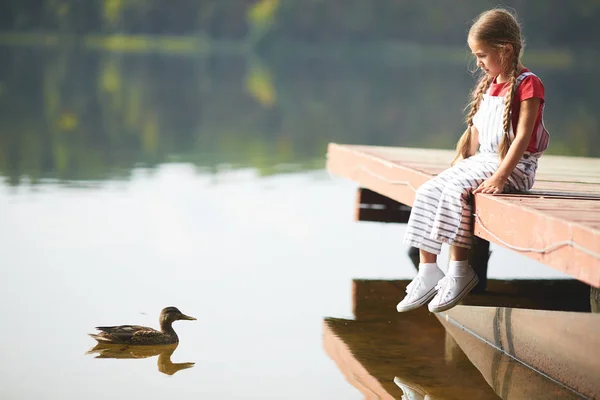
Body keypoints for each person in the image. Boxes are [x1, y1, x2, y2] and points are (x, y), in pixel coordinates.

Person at [397, 8, 549, 313]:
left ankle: (460, 270)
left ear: (504, 49)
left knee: (457, 192)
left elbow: (521, 138)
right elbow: (477, 136)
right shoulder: (491, 84)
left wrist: (501, 177)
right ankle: (428, 271)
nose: (477, 62)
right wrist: (460, 161)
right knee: (428, 190)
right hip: (484, 161)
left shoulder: (529, 85)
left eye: (481, 54)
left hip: (514, 168)